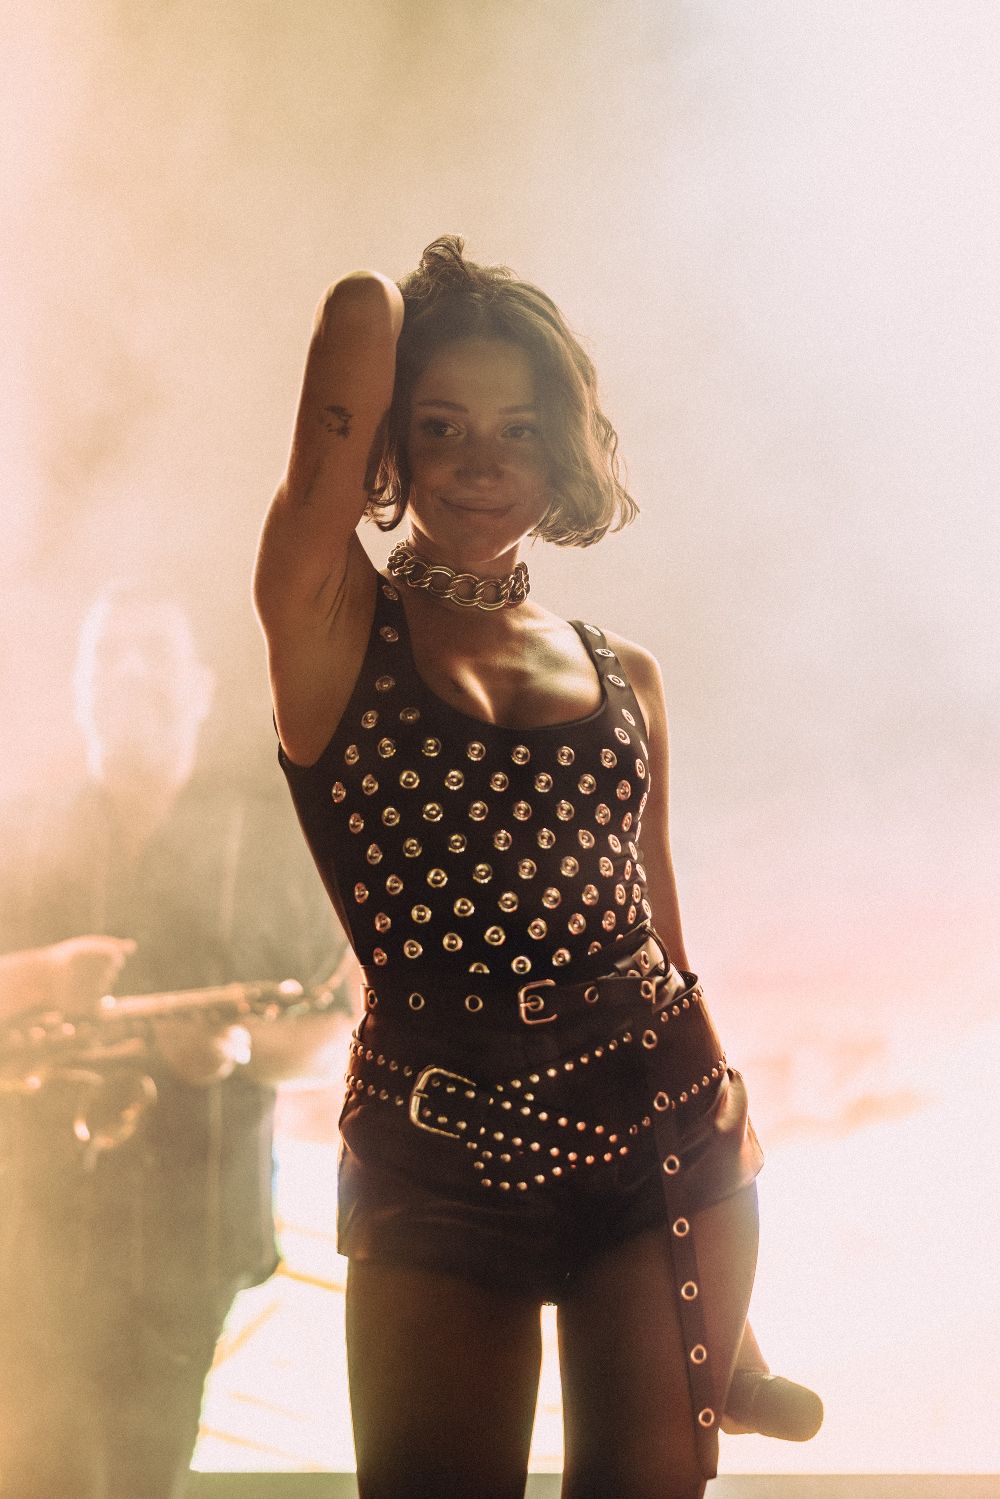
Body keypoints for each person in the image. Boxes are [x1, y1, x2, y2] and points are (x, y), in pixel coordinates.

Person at [254, 237, 816, 1497]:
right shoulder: (329, 613)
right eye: (441, 425)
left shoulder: (628, 674)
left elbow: (664, 947)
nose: (481, 461)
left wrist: (728, 1258)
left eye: (517, 429)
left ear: (560, 447)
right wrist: (436, 296)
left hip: (667, 1134)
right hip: (436, 1150)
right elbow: (355, 316)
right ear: (388, 444)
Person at [0, 585, 356, 1499]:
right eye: (107, 655)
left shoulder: (269, 842)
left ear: (199, 689)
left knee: (139, 1478)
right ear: (79, 686)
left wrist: (234, 1048)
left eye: (152, 654)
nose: (128, 672)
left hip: (189, 1242)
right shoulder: (21, 830)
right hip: (26, 1239)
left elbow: (330, 1033)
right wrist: (44, 976)